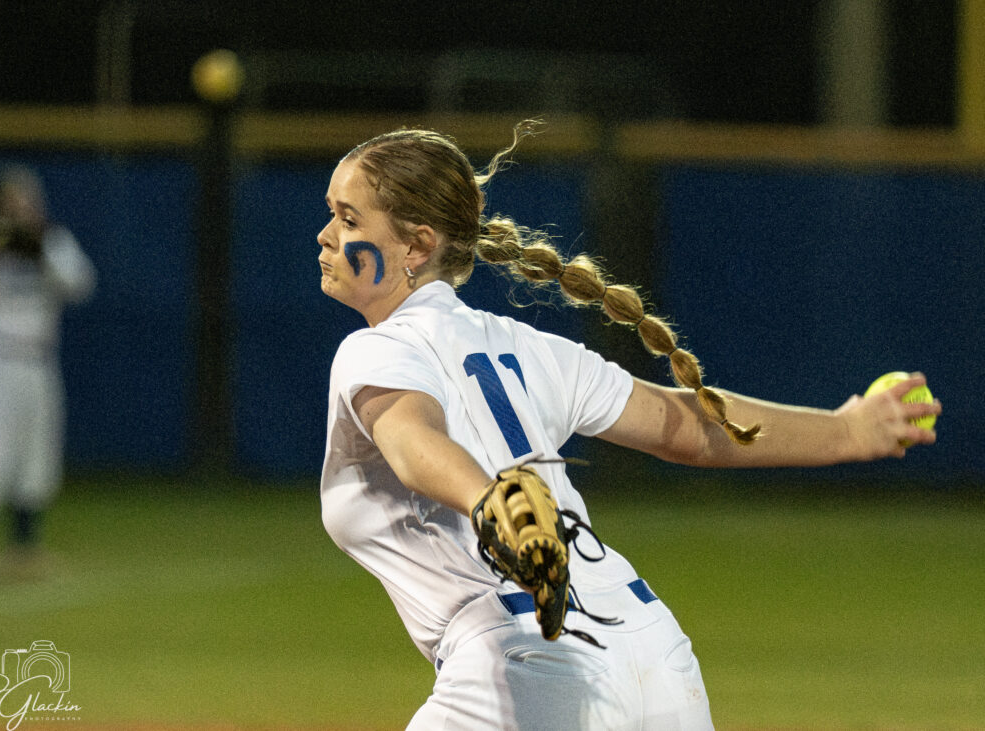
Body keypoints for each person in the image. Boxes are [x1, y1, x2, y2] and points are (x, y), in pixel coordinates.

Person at [318, 121, 940, 730]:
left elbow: (415, 441)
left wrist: (489, 497)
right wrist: (851, 429)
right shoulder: (527, 348)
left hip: (529, 656)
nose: (325, 235)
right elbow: (689, 427)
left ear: (418, 247)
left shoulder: (374, 350)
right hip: (655, 652)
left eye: (349, 219)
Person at [0, 165, 96, 571]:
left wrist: (42, 254)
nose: (23, 208)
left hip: (37, 359)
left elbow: (81, 285)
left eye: (28, 199)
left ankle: (25, 543)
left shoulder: (51, 241)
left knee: (39, 446)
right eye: (14, 200)